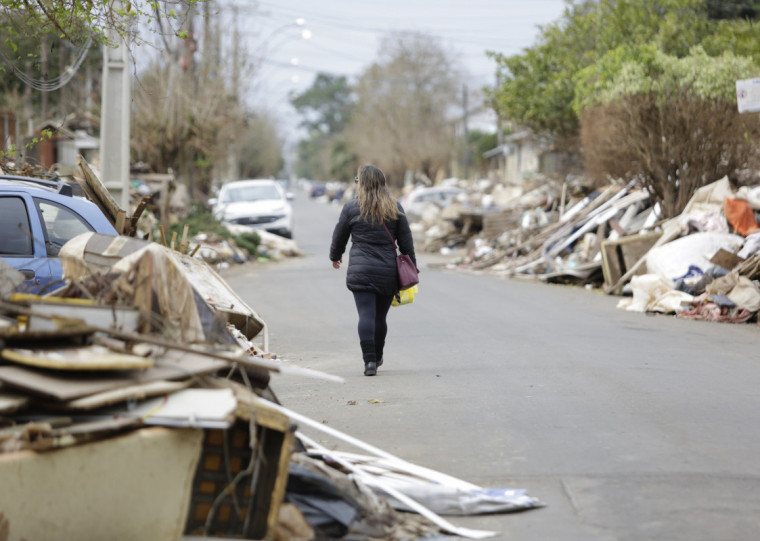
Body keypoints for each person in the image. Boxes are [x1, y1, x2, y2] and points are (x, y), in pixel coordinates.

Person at [330, 165, 417, 376]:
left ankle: (369, 362)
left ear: (362, 183)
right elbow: (406, 242)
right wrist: (412, 267)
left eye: (357, 179)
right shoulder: (394, 207)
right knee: (380, 318)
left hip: (360, 269)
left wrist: (335, 256)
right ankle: (377, 357)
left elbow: (339, 235)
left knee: (366, 314)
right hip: (387, 270)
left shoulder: (351, 207)